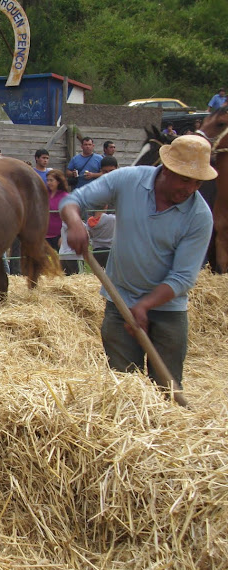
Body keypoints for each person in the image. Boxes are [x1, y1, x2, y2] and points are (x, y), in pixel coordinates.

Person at [60, 135, 215, 392]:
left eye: (197, 182)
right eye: (185, 179)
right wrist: (75, 223)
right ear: (167, 169)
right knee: (123, 389)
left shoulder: (199, 216)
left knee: (167, 390)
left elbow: (183, 277)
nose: (189, 189)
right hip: (120, 301)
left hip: (169, 312)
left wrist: (145, 305)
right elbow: (72, 200)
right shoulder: (129, 180)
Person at [45, 169, 70, 252]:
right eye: (47, 180)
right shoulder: (44, 194)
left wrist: (63, 236)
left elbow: (69, 218)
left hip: (59, 236)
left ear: (58, 181)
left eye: (51, 180)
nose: (48, 183)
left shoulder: (65, 196)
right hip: (45, 235)